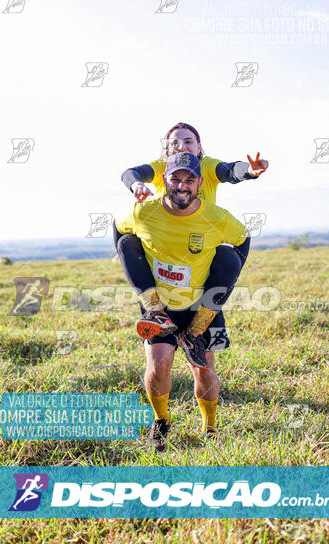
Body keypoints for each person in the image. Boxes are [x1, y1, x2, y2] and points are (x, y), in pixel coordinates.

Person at [114, 152, 250, 452]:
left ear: (199, 183)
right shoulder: (143, 211)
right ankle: (161, 423)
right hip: (159, 306)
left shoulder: (217, 218)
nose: (182, 186)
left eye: (189, 180)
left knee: (204, 370)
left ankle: (210, 429)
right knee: (158, 367)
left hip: (201, 306)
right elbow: (119, 231)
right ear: (165, 180)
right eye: (176, 178)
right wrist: (137, 276)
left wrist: (223, 282)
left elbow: (242, 240)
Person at [119, 122, 267, 340]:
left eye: (188, 141)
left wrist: (250, 171)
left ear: (199, 146)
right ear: (167, 151)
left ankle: (195, 333)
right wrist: (136, 185)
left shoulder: (207, 166)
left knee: (228, 258)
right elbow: (130, 173)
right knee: (127, 243)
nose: (182, 147)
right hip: (165, 262)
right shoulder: (161, 167)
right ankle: (156, 312)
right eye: (175, 143)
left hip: (198, 259)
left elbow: (230, 171)